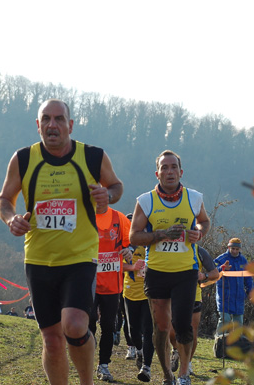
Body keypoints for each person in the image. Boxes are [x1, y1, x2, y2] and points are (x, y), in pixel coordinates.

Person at [0, 98, 123, 385]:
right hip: (39, 260)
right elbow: (4, 199)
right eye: (46, 119)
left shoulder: (92, 157)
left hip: (80, 257)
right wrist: (10, 219)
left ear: (70, 125)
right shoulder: (24, 159)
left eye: (59, 119)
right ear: (38, 125)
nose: (52, 125)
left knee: (76, 326)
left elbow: (116, 185)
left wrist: (109, 196)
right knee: (52, 341)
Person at [130, 150, 211, 385]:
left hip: (185, 272)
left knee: (184, 325)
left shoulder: (194, 198)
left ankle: (184, 374)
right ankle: (168, 375)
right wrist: (161, 234)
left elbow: (204, 222)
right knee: (161, 328)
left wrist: (199, 233)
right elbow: (134, 236)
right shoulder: (146, 201)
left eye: (173, 167)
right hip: (157, 272)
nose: (169, 171)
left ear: (180, 171)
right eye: (164, 168)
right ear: (157, 174)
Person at [89, 206, 133, 382]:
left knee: (108, 326)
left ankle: (103, 365)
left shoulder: (118, 217)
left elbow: (133, 237)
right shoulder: (86, 215)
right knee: (89, 323)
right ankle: (87, 359)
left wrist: (130, 248)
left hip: (112, 285)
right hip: (88, 281)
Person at [170, 246, 219, 376]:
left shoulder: (200, 251)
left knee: (193, 332)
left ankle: (188, 363)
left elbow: (215, 273)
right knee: (171, 330)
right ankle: (175, 350)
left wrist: (204, 275)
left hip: (194, 296)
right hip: (173, 294)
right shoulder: (171, 248)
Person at [123, 243, 154, 382]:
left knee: (148, 331)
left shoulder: (152, 245)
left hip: (149, 294)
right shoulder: (127, 246)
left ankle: (146, 367)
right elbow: (117, 265)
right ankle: (140, 351)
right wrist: (132, 267)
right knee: (132, 331)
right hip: (130, 293)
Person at [213, 238, 254, 337]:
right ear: (228, 247)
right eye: (233, 249)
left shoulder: (243, 260)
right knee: (225, 319)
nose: (235, 251)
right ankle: (219, 340)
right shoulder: (221, 259)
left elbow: (248, 278)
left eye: (237, 249)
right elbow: (212, 270)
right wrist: (221, 268)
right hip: (224, 295)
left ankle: (238, 343)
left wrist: (251, 291)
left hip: (238, 296)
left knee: (238, 322)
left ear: (240, 249)